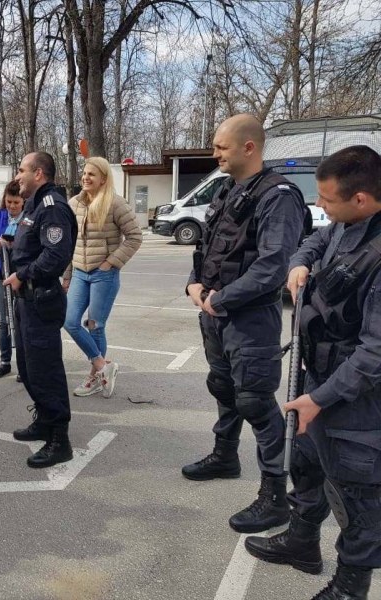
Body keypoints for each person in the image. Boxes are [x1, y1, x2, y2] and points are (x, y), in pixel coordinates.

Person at [245, 145, 381, 600]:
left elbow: (375, 354)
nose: (318, 207)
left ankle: (350, 588)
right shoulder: (346, 222)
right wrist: (300, 261)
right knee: (306, 464)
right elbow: (315, 239)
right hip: (318, 373)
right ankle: (303, 543)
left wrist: (321, 398)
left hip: (357, 395)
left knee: (356, 492)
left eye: (326, 199)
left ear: (360, 198)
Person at [181, 114, 308, 534]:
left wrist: (221, 299)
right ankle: (225, 455)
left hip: (250, 319)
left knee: (254, 400)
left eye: (221, 147)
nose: (214, 153)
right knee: (223, 387)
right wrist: (194, 286)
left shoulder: (279, 196)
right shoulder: (229, 190)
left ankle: (275, 495)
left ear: (249, 148)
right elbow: (208, 247)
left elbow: (274, 265)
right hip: (216, 314)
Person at [4, 152, 77, 468]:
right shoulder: (33, 205)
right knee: (29, 367)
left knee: (45, 370)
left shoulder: (53, 208)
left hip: (41, 300)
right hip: (27, 302)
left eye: (22, 170)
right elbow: (30, 245)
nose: (17, 176)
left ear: (39, 173)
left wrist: (22, 274)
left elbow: (55, 256)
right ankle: (44, 420)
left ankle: (59, 439)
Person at [62, 157, 142, 398]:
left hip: (103, 275)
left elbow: (135, 237)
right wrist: (67, 276)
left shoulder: (115, 204)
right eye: (85, 173)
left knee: (95, 325)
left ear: (104, 179)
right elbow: (68, 243)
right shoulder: (73, 203)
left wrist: (110, 263)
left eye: (92, 175)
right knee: (70, 321)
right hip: (78, 272)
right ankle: (102, 365)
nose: (86, 177)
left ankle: (95, 378)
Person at [0, 180, 24, 378]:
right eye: (9, 202)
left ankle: (22, 364)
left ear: (23, 201)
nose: (12, 206)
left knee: (19, 319)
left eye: (16, 202)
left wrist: (12, 244)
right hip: (0, 273)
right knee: (3, 320)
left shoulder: (29, 217)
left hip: (19, 275)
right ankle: (4, 361)